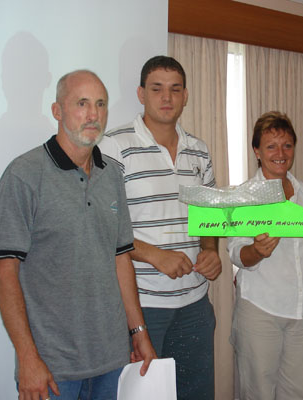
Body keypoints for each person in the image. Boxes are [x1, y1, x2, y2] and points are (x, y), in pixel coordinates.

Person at [0, 70, 156, 400]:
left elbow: (121, 258)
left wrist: (138, 332)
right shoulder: (24, 175)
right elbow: (5, 272)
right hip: (52, 369)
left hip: (112, 360)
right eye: (82, 103)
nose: (93, 114)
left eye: (100, 104)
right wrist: (27, 357)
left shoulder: (112, 176)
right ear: (57, 111)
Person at [99, 56, 222, 400]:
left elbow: (209, 215)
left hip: (196, 302)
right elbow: (102, 224)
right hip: (143, 304)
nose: (166, 97)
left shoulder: (199, 150)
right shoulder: (114, 146)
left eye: (175, 89)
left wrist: (211, 250)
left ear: (185, 96)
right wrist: (154, 255)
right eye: (157, 89)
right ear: (141, 93)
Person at [227, 111, 303, 400]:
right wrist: (256, 251)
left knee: (296, 392)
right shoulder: (243, 197)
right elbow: (236, 253)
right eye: (271, 146)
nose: (280, 153)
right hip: (261, 309)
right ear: (256, 151)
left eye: (287, 145)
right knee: (259, 393)